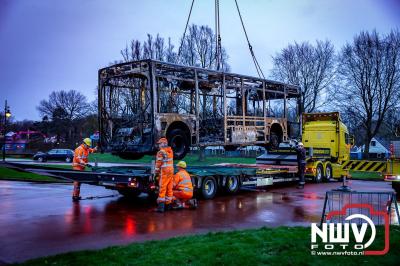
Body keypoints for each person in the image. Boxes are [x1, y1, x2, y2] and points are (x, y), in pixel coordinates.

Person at [154, 137, 174, 212]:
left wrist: (156, 172)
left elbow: (158, 163)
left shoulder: (160, 152)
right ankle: (168, 206)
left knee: (162, 188)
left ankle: (161, 208)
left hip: (165, 171)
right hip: (171, 171)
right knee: (169, 188)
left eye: (159, 144)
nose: (159, 145)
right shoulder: (170, 151)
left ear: (163, 144)